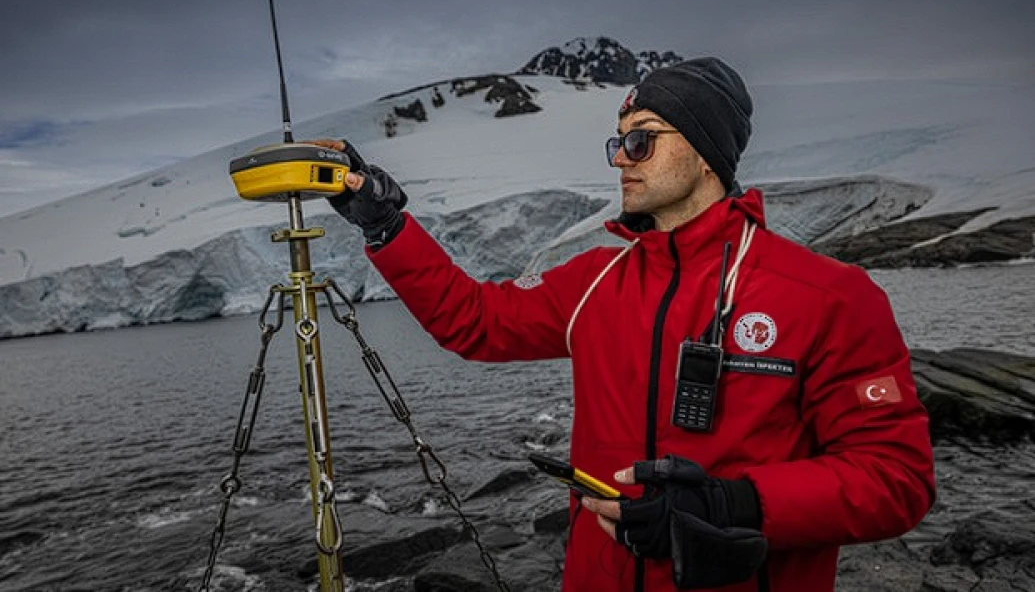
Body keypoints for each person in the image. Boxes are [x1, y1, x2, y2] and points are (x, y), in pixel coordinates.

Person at [311, 57, 936, 592]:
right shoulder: (595, 282)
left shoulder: (828, 297)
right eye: (618, 143)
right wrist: (387, 226)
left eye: (642, 140)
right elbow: (474, 321)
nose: (621, 161)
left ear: (705, 151)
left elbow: (897, 478)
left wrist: (732, 503)